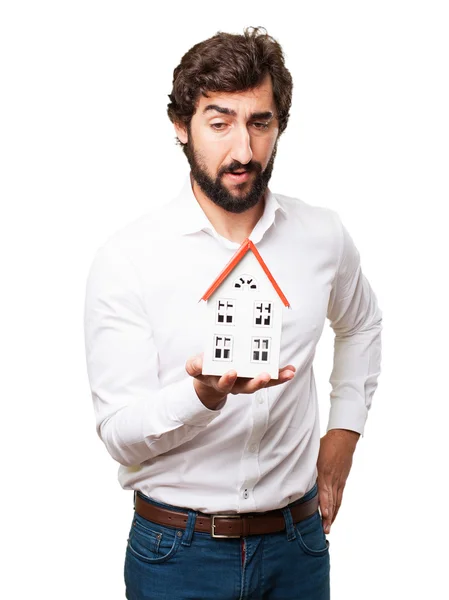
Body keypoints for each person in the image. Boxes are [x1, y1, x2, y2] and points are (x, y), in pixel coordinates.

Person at [84, 26, 382, 600]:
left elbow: (362, 322)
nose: (243, 152)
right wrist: (202, 397)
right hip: (176, 555)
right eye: (219, 123)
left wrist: (343, 433)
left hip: (297, 548)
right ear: (181, 127)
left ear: (279, 126)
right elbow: (119, 434)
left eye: (260, 123)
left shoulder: (322, 236)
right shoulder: (127, 260)